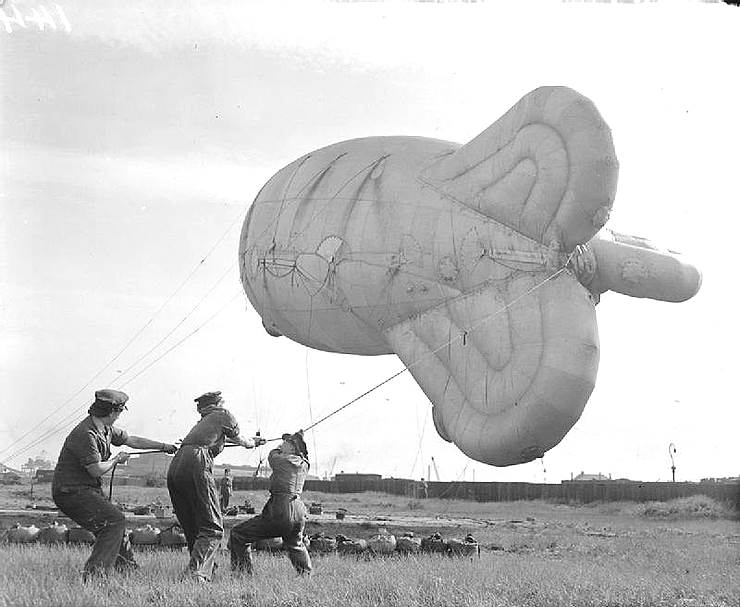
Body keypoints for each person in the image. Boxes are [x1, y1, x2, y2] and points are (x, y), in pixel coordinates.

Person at [52, 389, 177, 580]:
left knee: (115, 522)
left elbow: (132, 440)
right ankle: (95, 577)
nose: (119, 417)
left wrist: (163, 446)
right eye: (119, 412)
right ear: (112, 412)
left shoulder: (104, 428)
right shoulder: (86, 433)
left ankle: (127, 569)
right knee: (113, 522)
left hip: (85, 489)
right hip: (70, 492)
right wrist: (116, 459)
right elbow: (95, 469)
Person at [166, 391, 265, 582]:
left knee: (192, 524)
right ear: (218, 404)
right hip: (196, 462)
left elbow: (221, 438)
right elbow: (241, 440)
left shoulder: (201, 424)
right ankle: (196, 574)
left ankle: (207, 568)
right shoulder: (223, 414)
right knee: (212, 528)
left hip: (176, 465)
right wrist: (252, 443)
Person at [228, 431, 312, 576]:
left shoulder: (282, 460)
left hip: (281, 509)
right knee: (295, 543)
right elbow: (302, 455)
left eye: (286, 442)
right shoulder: (304, 464)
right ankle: (306, 575)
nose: (282, 443)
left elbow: (272, 455)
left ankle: (243, 575)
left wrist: (262, 443)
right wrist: (296, 440)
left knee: (238, 534)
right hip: (298, 510)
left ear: (292, 448)